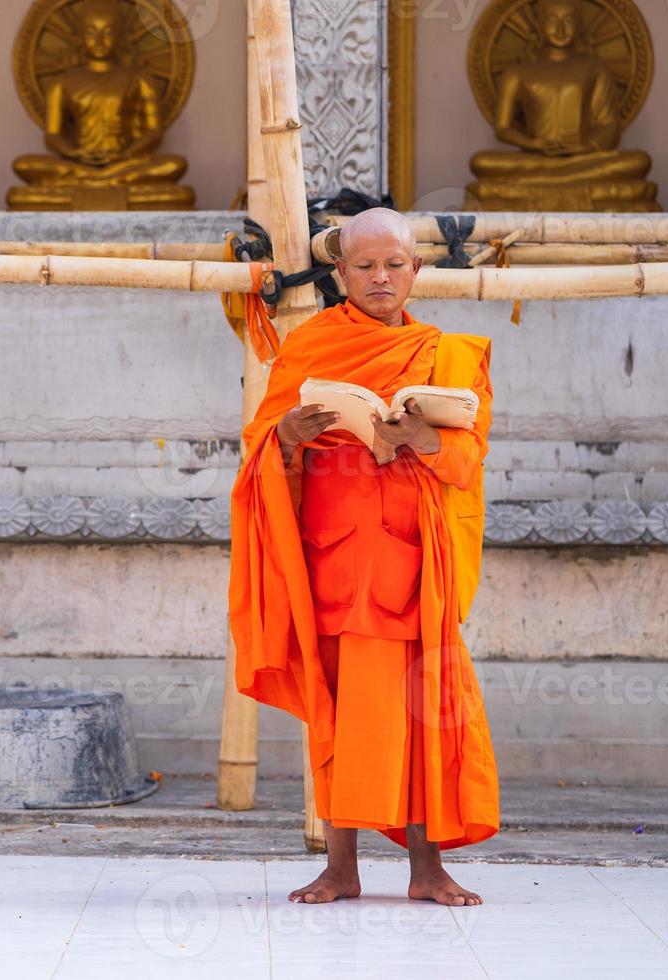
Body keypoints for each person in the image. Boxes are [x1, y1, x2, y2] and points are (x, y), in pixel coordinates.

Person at [229, 208, 499, 906]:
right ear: (340, 273)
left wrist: (423, 438)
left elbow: (468, 460)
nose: (381, 277)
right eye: (365, 266)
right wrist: (287, 436)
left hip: (415, 563)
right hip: (337, 559)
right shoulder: (312, 345)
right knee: (338, 711)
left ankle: (427, 869)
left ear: (416, 271)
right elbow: (263, 454)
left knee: (424, 714)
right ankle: (340, 867)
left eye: (394, 265)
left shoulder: (450, 356)